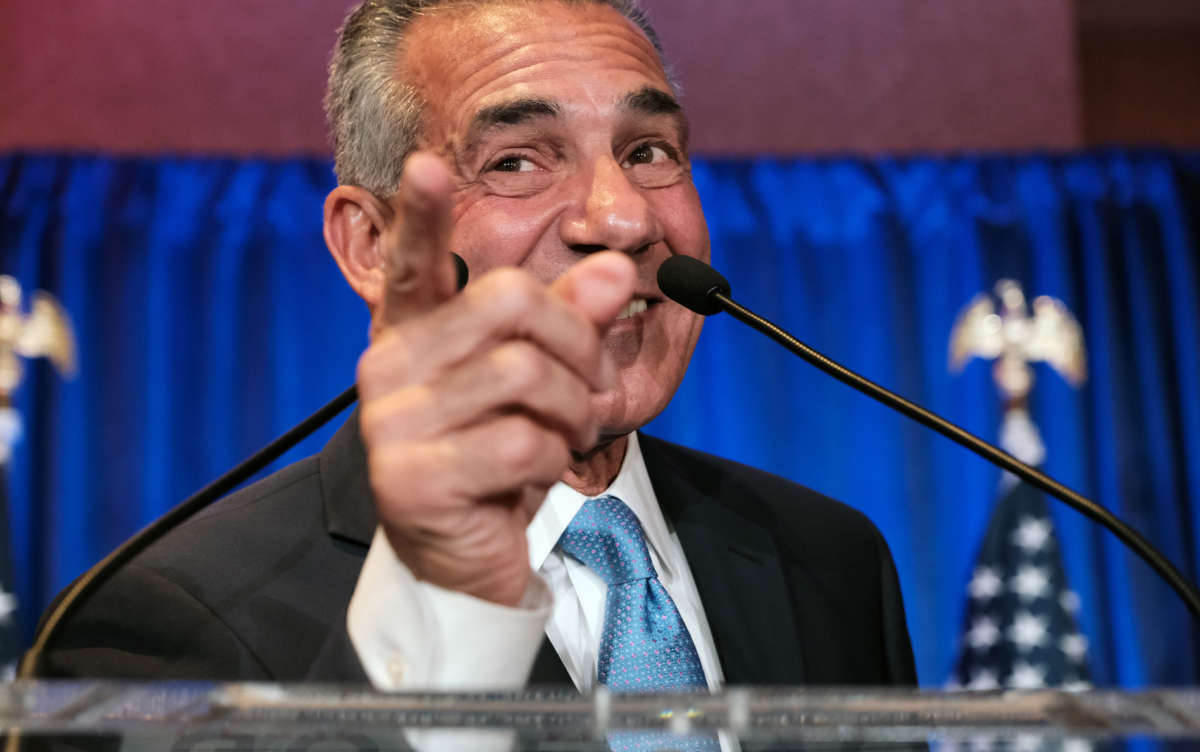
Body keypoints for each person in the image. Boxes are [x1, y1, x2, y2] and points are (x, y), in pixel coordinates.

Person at [41, 0, 917, 690]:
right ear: (375, 247)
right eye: (516, 162)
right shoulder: (173, 615)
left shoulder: (830, 558)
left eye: (649, 150)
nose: (622, 217)